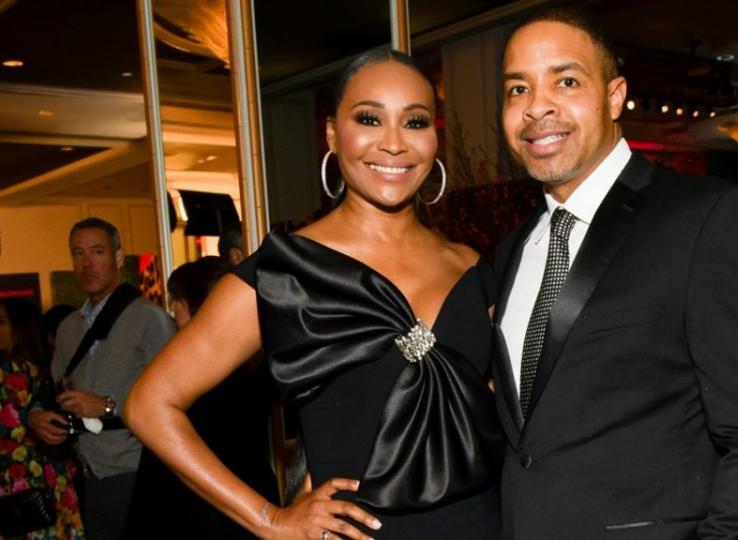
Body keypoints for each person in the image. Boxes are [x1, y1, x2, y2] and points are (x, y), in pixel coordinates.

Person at [124, 49, 502, 540]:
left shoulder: (470, 265)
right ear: (331, 133)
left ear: (435, 138)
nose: (393, 144)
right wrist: (269, 519)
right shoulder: (286, 272)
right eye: (369, 118)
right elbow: (149, 405)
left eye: (415, 121)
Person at [492, 8, 738, 539]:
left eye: (565, 81)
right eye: (517, 90)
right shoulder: (516, 248)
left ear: (614, 96)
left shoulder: (706, 219)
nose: (537, 106)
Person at [26, 218, 176, 540]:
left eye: (97, 252)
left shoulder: (150, 320)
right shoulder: (68, 327)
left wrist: (107, 406)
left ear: (119, 258)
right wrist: (37, 414)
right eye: (78, 254)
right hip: (87, 474)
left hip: (138, 470)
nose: (87, 263)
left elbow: (175, 397)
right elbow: (52, 387)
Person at [125, 256, 276, 539]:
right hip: (251, 494)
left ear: (194, 304)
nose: (171, 310)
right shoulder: (256, 357)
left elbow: (154, 432)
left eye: (176, 300)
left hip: (197, 504)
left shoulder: (188, 374)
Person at [0, 298, 84, 539]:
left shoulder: (10, 371)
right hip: (51, 479)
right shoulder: (45, 368)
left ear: (21, 327)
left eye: (2, 322)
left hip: (20, 485)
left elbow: (9, 430)